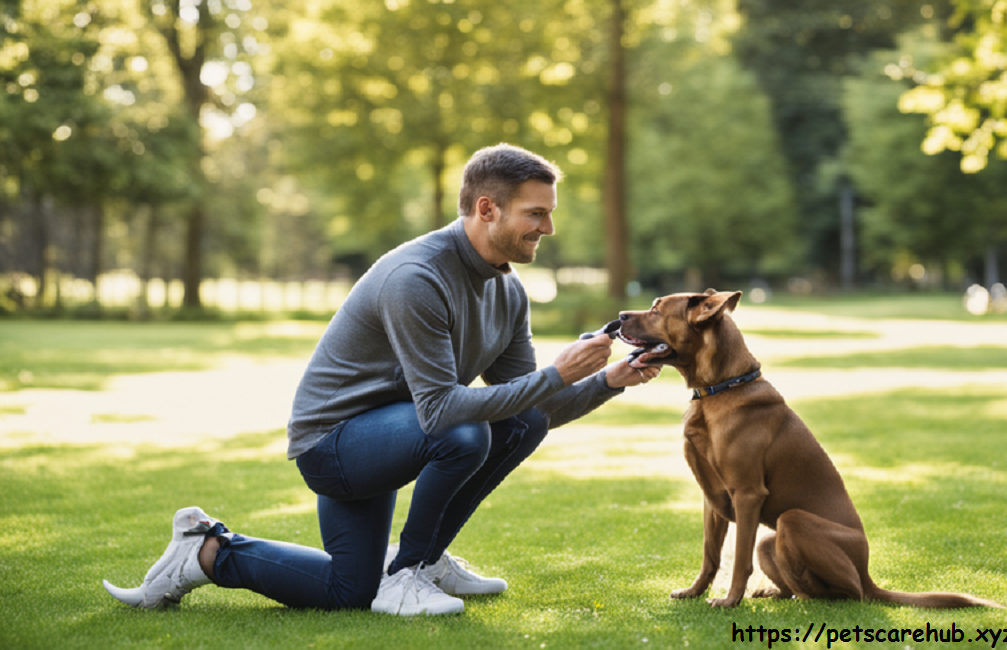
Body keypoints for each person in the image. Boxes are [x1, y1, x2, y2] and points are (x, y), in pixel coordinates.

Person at [103, 143, 660, 616]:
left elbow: (534, 408)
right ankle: (411, 571)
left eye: (549, 213)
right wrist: (556, 372)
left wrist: (609, 380)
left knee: (348, 591)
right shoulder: (416, 277)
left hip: (399, 436)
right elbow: (442, 413)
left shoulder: (507, 290)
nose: (549, 227)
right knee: (467, 432)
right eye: (536, 214)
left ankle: (205, 552)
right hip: (335, 444)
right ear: (487, 208)